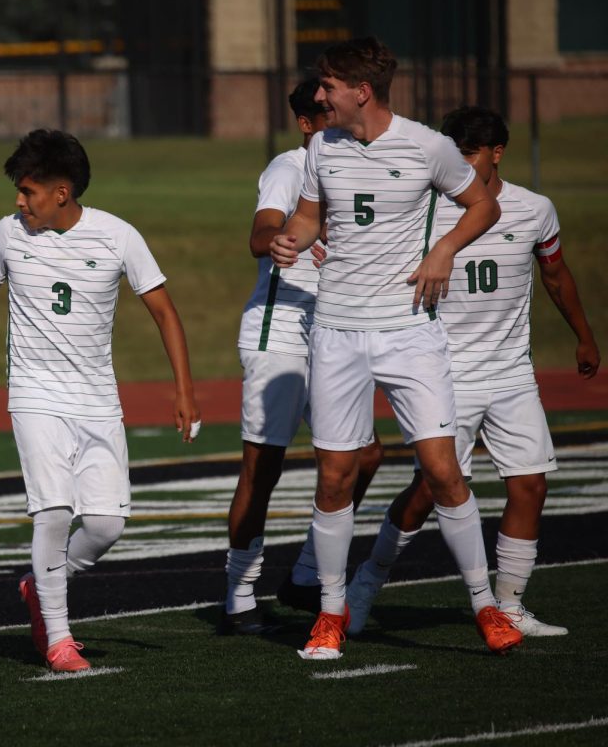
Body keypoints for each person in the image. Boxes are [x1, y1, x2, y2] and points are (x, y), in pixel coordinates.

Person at [0, 129, 200, 672]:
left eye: (28, 191)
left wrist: (184, 391)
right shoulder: (8, 234)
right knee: (52, 512)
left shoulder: (118, 236)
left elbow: (164, 311)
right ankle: (59, 639)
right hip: (34, 395)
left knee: (105, 527)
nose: (18, 202)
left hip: (98, 401)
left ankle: (40, 585)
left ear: (62, 192)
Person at [270, 37, 517, 660]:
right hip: (337, 333)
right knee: (334, 476)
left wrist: (443, 250)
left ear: (362, 91)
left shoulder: (427, 145)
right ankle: (329, 613)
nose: (318, 95)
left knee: (441, 469)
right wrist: (288, 239)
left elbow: (482, 205)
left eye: (327, 86)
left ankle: (485, 606)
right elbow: (306, 216)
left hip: (409, 332)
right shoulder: (322, 146)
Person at [344, 105, 600, 637]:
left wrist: (583, 335)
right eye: (452, 152)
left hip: (510, 374)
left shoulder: (534, 210)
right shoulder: (427, 210)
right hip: (444, 374)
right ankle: (365, 584)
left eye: (469, 153)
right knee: (427, 493)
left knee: (529, 484)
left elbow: (554, 274)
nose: (457, 163)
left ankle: (509, 603)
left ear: (496, 153)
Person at [224, 78, 384, 634]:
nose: (335, 116)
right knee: (262, 466)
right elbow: (260, 232)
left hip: (337, 331)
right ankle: (239, 595)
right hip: (282, 331)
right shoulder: (291, 166)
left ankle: (306, 574)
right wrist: (282, 240)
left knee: (364, 458)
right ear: (308, 121)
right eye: (323, 110)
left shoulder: (356, 167)